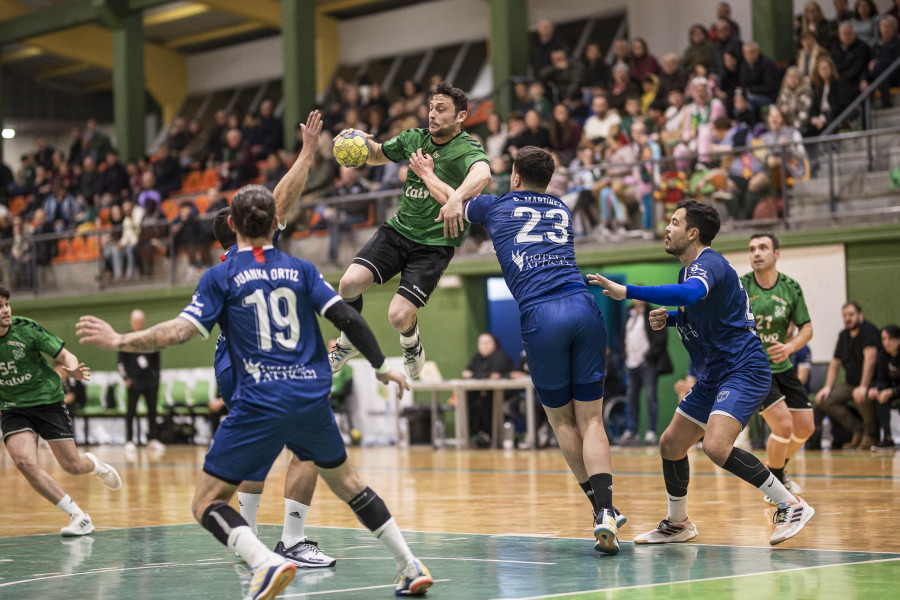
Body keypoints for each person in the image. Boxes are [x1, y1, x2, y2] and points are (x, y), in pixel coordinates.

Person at [77, 184, 433, 599]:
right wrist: (381, 367)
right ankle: (409, 564)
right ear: (275, 222)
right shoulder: (301, 270)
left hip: (260, 399)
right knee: (350, 483)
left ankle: (265, 561)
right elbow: (349, 320)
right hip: (310, 397)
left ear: (231, 224)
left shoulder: (221, 276)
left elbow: (178, 332)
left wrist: (120, 340)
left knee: (206, 502)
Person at [408, 145, 625, 553]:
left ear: (515, 177)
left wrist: (425, 174)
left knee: (563, 423)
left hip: (542, 315)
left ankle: (599, 511)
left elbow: (452, 202)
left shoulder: (495, 206)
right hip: (583, 306)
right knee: (592, 420)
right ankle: (607, 511)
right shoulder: (560, 207)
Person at [588, 200, 815, 546]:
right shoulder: (688, 271)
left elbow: (692, 294)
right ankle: (678, 523)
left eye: (675, 223)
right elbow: (706, 315)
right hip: (715, 374)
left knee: (716, 445)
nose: (667, 228)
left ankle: (789, 504)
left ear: (693, 233)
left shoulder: (708, 264)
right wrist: (674, 317)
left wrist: (629, 291)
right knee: (671, 444)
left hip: (744, 369)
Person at [206, 111, 337, 569]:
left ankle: (251, 541)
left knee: (257, 451)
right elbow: (280, 200)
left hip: (233, 363)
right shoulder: (248, 251)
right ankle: (292, 542)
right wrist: (306, 153)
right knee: (307, 449)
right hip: (257, 363)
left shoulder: (230, 262)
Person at [328, 82, 491, 380]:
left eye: (441, 109)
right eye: (430, 107)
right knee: (348, 284)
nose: (432, 114)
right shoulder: (414, 138)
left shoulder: (466, 148)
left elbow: (483, 173)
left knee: (398, 316)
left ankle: (410, 342)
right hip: (398, 230)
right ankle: (348, 341)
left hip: (434, 244)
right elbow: (377, 155)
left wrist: (455, 199)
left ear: (461, 116)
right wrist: (356, 143)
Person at [0, 283, 121, 537]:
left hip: (47, 401)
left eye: (6, 304)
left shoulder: (26, 330)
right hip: (13, 408)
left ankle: (95, 465)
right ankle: (78, 515)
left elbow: (66, 355)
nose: (5, 311)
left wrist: (73, 368)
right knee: (24, 462)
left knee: (72, 466)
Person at [741, 233, 816, 502]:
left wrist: (790, 347)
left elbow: (807, 328)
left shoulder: (790, 287)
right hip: (755, 368)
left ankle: (778, 467)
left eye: (763, 247)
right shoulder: (740, 287)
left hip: (783, 365)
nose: (756, 253)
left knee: (805, 428)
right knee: (783, 426)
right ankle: (775, 486)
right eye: (752, 249)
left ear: (776, 254)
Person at [815, 302, 880, 449]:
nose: (847, 318)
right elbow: (835, 363)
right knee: (826, 400)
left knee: (860, 395)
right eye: (845, 316)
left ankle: (871, 435)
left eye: (851, 315)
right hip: (851, 383)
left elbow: (870, 360)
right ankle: (858, 430)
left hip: (872, 382)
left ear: (860, 315)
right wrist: (827, 387)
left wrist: (863, 386)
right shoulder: (843, 335)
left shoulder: (868, 331)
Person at [619, 298, 672, 445]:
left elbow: (661, 338)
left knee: (650, 397)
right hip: (631, 364)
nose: (635, 299)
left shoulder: (652, 313)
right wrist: (625, 356)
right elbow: (623, 336)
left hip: (647, 364)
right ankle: (632, 431)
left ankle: (650, 432)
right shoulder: (629, 314)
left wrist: (648, 357)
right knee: (631, 398)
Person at [118, 309, 163, 452]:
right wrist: (126, 378)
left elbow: (157, 360)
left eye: (141, 321)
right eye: (136, 321)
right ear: (132, 322)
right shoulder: (126, 339)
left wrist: (156, 378)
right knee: (131, 411)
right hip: (133, 382)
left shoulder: (151, 337)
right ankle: (130, 440)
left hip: (150, 382)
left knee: (152, 411)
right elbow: (120, 362)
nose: (139, 324)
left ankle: (152, 439)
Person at [461, 333, 515, 447]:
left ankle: (493, 437)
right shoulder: (477, 358)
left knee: (485, 403)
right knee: (469, 401)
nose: (483, 346)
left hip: (503, 395)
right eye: (480, 343)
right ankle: (475, 435)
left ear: (493, 344)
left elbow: (494, 375)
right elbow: (466, 373)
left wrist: (474, 375)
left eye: (486, 343)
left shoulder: (499, 357)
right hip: (482, 394)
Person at [869, 324, 900, 449]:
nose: (887, 342)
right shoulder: (882, 355)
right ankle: (887, 437)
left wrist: (892, 392)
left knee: (885, 394)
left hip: (896, 390)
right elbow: (882, 379)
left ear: (898, 339)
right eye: (884, 339)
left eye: (890, 339)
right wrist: (877, 390)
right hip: (893, 389)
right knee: (880, 395)